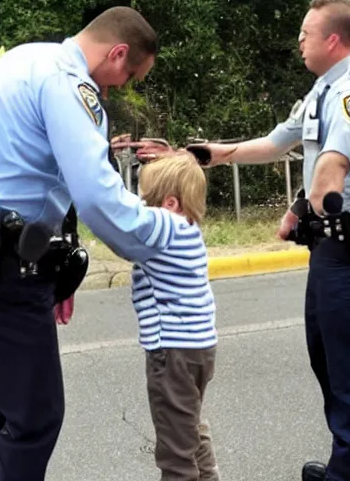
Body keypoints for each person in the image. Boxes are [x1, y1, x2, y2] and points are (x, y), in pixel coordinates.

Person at [129, 0, 350, 481]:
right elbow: (280, 141)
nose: (299, 41)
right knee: (334, 359)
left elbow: (332, 168)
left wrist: (314, 202)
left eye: (306, 33)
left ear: (334, 39)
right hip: (337, 247)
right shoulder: (325, 90)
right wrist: (212, 154)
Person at [0, 6, 175, 481]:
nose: (120, 87)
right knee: (34, 419)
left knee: (2, 405)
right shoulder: (68, 84)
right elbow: (97, 197)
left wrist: (56, 263)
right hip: (4, 268)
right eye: (129, 73)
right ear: (116, 52)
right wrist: (161, 237)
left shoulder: (22, 59)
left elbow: (36, 174)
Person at [131, 152, 219, 481]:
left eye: (144, 196)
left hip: (173, 353)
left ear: (168, 203)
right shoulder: (186, 228)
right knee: (192, 431)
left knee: (175, 453)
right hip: (198, 349)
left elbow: (120, 220)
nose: (139, 202)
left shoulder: (164, 226)